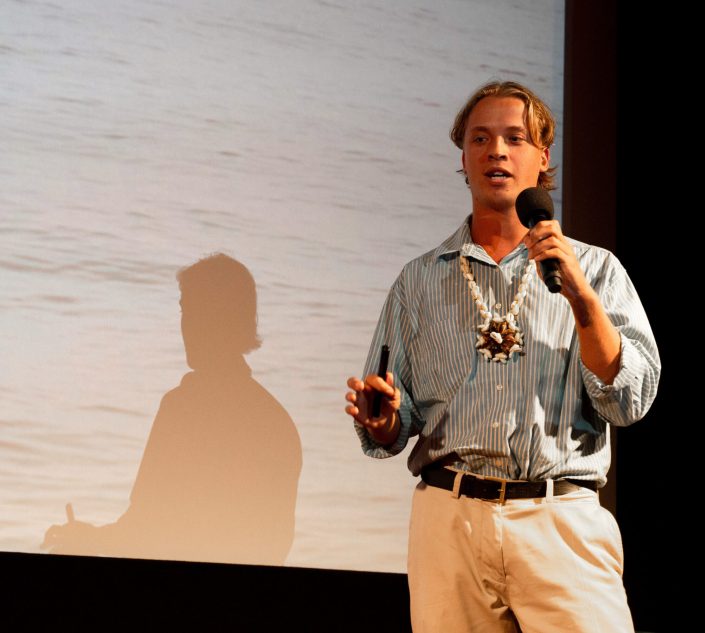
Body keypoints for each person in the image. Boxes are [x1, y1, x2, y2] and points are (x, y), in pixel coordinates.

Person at [344, 80, 660, 631]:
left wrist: (583, 301)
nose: (497, 151)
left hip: (559, 519)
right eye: (480, 139)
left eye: (515, 138)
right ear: (463, 159)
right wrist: (387, 419)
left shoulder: (598, 271)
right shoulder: (419, 280)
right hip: (450, 520)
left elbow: (630, 399)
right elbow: (394, 425)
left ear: (542, 159)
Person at [43, 253, 302, 566]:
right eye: (185, 310)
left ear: (225, 321)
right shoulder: (276, 420)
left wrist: (88, 540)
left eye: (197, 311)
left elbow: (146, 528)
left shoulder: (183, 407)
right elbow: (275, 545)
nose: (188, 325)